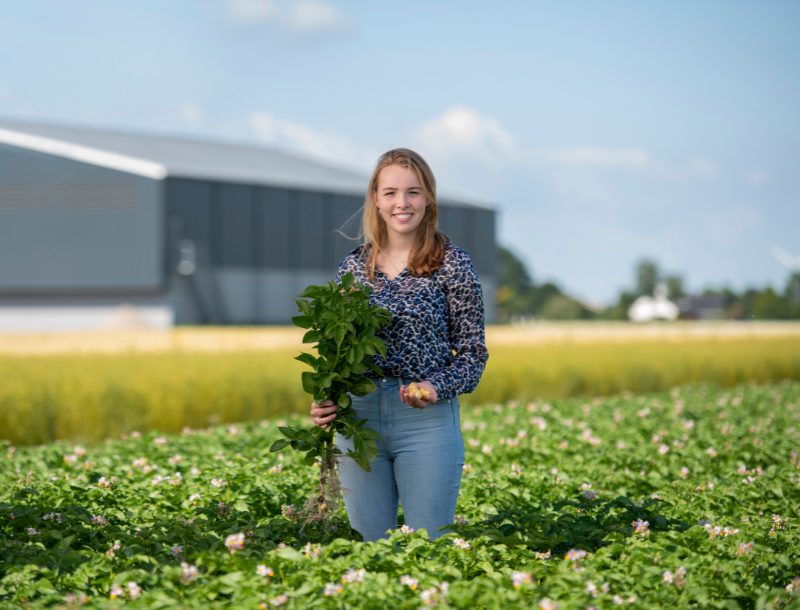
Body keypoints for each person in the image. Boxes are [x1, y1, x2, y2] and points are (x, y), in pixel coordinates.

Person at [309, 148, 488, 542]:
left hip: (426, 420)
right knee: (369, 548)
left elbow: (474, 353)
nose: (401, 203)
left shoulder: (453, 264)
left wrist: (436, 387)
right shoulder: (353, 268)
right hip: (359, 418)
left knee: (428, 546)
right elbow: (339, 351)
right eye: (390, 192)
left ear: (428, 199)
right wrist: (328, 398)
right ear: (375, 198)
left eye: (413, 192)